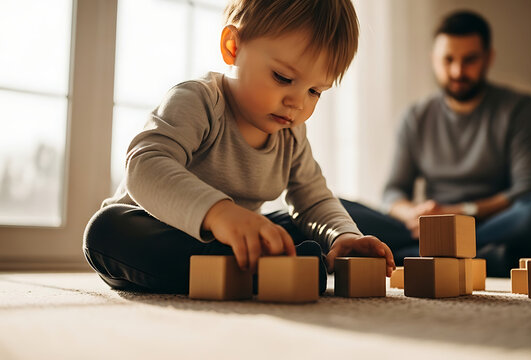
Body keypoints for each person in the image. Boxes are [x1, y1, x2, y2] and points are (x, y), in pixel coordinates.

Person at [83, 0, 395, 294]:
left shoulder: (292, 135)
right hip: (157, 233)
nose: (297, 103)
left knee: (292, 226)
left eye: (315, 90)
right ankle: (263, 271)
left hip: (235, 244)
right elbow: (144, 167)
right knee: (105, 230)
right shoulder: (199, 101)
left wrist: (343, 235)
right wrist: (219, 214)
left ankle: (264, 268)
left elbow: (313, 200)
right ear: (233, 47)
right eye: (283, 77)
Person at [341, 10, 531, 276]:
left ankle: (414, 257)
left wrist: (458, 214)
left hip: (485, 224)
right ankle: (480, 258)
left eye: (469, 60)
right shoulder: (416, 117)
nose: (458, 71)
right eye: (448, 60)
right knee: (336, 209)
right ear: (433, 60)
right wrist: (415, 215)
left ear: (488, 58)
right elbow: (392, 193)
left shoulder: (521, 110)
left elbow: (529, 188)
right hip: (426, 229)